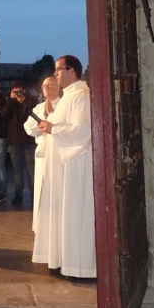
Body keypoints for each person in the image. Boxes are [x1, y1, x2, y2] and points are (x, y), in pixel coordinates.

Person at [29, 55, 96, 279]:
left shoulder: (81, 96)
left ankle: (79, 267)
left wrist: (53, 128)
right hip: (61, 167)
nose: (56, 74)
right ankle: (62, 260)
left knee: (75, 213)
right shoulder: (69, 96)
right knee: (63, 213)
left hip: (74, 166)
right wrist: (50, 125)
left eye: (58, 70)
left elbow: (84, 130)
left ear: (72, 71)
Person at [24, 76, 62, 229]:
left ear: (58, 87)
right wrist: (40, 124)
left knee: (56, 191)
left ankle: (56, 224)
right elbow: (28, 127)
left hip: (58, 155)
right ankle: (41, 225)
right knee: (41, 188)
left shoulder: (63, 105)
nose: (46, 88)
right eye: (44, 86)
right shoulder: (38, 108)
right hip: (42, 154)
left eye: (50, 85)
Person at [1, 81, 37, 205]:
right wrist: (11, 100)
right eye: (15, 91)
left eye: (19, 91)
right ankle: (18, 194)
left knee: (31, 171)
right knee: (17, 171)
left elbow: (34, 115)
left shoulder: (32, 101)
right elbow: (3, 115)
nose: (17, 93)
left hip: (29, 141)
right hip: (15, 141)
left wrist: (23, 102)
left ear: (24, 90)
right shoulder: (11, 102)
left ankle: (34, 195)